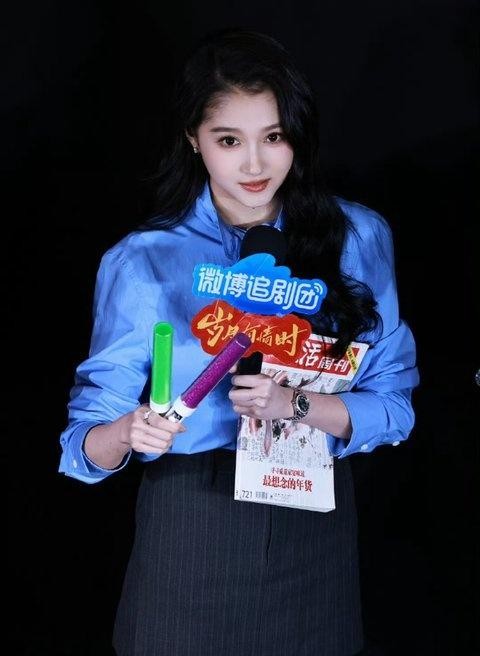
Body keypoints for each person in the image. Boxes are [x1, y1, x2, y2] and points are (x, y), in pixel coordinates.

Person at [58, 26, 419, 656]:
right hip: (191, 522)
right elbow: (81, 446)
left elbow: (395, 407)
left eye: (273, 137)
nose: (254, 165)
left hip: (314, 512)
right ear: (193, 139)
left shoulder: (358, 238)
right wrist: (128, 431)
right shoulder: (144, 261)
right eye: (229, 140)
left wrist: (294, 404)